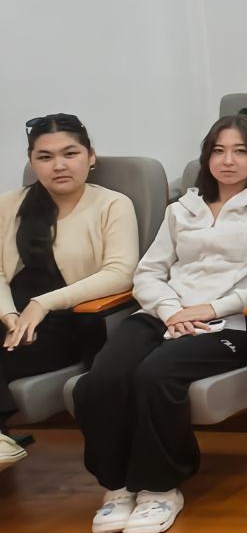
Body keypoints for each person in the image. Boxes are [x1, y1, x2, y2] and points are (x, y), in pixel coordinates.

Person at [75, 115, 247, 533]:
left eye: (240, 151)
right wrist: (169, 310)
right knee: (100, 379)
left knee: (155, 376)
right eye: (219, 151)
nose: (228, 160)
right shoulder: (183, 208)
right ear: (206, 157)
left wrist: (213, 307)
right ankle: (118, 485)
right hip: (160, 315)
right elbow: (148, 272)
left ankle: (160, 487)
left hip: (228, 324)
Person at [1, 115, 139, 466]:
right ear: (32, 162)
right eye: (45, 157)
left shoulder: (112, 204)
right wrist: (9, 314)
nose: (58, 165)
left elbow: (121, 274)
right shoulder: (8, 204)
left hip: (69, 321)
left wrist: (42, 304)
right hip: (12, 319)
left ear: (91, 156)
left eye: (70, 153)